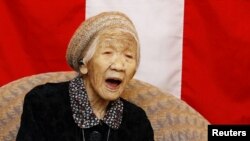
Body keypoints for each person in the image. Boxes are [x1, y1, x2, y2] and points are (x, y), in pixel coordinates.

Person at [16, 11, 154, 141]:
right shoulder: (43, 103)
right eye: (107, 52)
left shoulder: (138, 121)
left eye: (129, 56)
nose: (119, 66)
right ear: (84, 64)